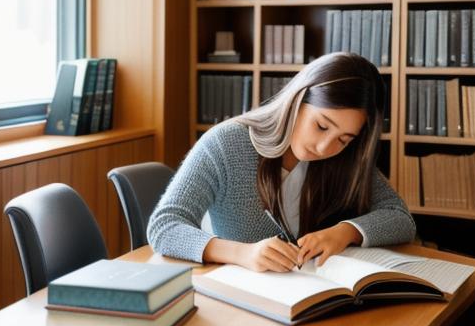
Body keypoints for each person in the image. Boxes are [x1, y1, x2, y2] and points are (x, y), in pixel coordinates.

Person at [147, 52, 416, 273]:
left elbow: (401, 218)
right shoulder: (225, 144)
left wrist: (345, 232)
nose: (325, 148)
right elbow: (165, 226)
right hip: (236, 298)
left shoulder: (346, 157)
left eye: (343, 139)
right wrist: (243, 253)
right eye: (322, 126)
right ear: (297, 100)